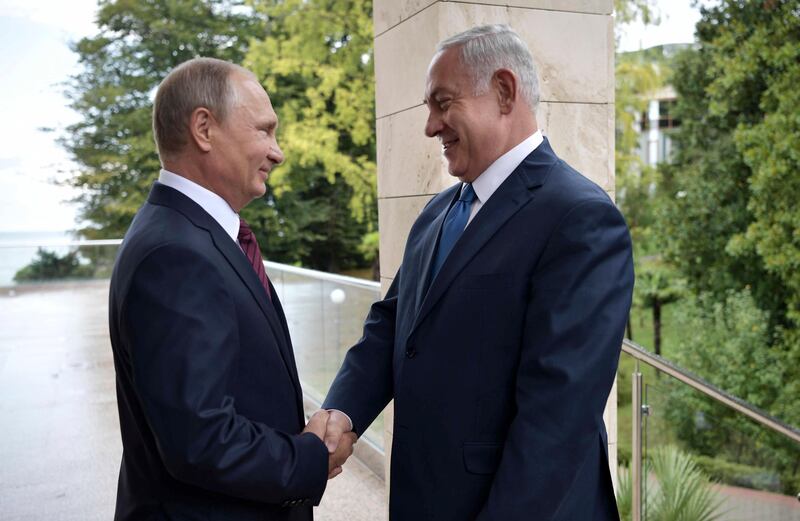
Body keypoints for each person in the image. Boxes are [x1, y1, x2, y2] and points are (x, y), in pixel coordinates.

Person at [322, 25, 634, 520]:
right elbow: (393, 325)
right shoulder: (439, 211)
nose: (430, 126)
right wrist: (342, 412)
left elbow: (556, 421)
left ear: (504, 92)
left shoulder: (580, 218)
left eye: (443, 103)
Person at [108, 57, 355, 521]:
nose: (277, 152)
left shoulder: (192, 234)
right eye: (264, 130)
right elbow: (199, 440)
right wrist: (308, 458)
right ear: (204, 128)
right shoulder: (174, 254)